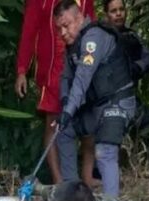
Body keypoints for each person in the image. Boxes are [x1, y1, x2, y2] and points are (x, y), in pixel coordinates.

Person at [53, 0, 137, 197]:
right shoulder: (73, 44)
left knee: (105, 151)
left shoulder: (93, 38)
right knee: (63, 131)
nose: (63, 33)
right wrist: (65, 103)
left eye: (66, 26)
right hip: (97, 109)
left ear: (80, 17)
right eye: (59, 28)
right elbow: (66, 77)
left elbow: (83, 77)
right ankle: (74, 197)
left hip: (118, 102)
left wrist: (68, 111)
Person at [16, 0, 97, 186]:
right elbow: (29, 30)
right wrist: (22, 70)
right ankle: (59, 181)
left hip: (81, 65)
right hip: (53, 70)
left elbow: (92, 23)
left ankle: (87, 175)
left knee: (88, 120)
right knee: (53, 123)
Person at [103, 0, 149, 84]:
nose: (118, 14)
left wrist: (137, 66)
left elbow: (148, 57)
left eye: (121, 9)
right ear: (107, 15)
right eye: (113, 11)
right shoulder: (100, 37)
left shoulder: (132, 35)